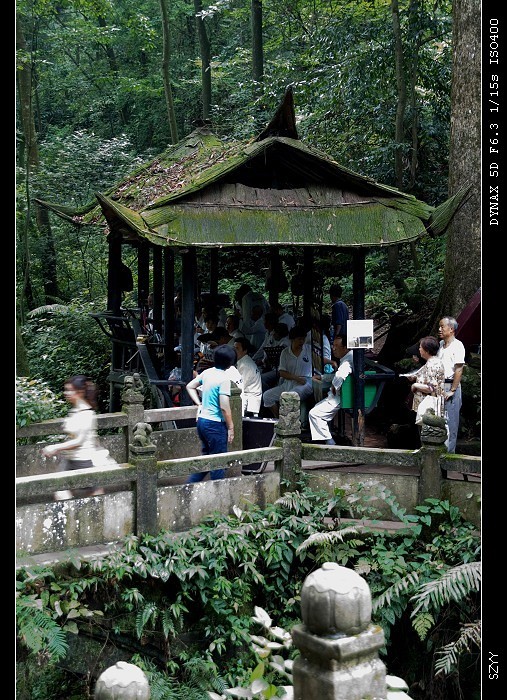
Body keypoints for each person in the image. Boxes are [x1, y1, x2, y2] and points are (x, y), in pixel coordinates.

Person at [41, 375, 105, 499]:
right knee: (61, 492)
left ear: (80, 392)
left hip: (84, 460)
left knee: (95, 496)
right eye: (66, 390)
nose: (66, 393)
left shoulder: (87, 413)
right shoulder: (75, 411)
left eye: (70, 390)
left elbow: (79, 441)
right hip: (70, 459)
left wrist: (56, 447)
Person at [185, 345, 236, 482]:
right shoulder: (224, 379)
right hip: (215, 424)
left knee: (207, 458)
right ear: (230, 363)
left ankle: (189, 486)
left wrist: (199, 404)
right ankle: (218, 491)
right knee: (218, 463)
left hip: (202, 421)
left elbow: (190, 386)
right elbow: (224, 407)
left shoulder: (207, 373)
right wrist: (231, 427)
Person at [308, 335, 353, 444]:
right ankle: (327, 439)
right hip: (341, 394)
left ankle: (330, 443)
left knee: (315, 414)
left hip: (341, 397)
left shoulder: (347, 361)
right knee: (317, 409)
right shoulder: (347, 357)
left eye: (336, 346)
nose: (333, 348)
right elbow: (338, 375)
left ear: (345, 347)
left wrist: (334, 386)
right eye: (333, 345)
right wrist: (323, 377)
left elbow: (340, 376)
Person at [262, 326, 313, 418]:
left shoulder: (309, 349)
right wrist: (296, 378)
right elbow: (282, 372)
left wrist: (331, 362)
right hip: (289, 383)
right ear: (292, 339)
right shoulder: (285, 352)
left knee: (289, 396)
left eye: (303, 339)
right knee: (267, 396)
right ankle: (278, 418)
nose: (302, 342)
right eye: (299, 339)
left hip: (305, 383)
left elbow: (320, 360)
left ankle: (289, 423)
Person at [401, 336, 445, 426]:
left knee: (426, 430)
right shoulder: (432, 361)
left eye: (421, 347)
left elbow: (431, 388)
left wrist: (415, 385)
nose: (419, 349)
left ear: (427, 351)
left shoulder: (432, 365)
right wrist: (414, 377)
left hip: (428, 408)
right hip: (426, 406)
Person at [437, 316, 466, 453]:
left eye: (442, 326)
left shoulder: (458, 345)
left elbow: (459, 369)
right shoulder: (441, 344)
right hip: (440, 386)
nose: (439, 329)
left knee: (451, 423)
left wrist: (453, 390)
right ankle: (437, 453)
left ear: (451, 329)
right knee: (439, 420)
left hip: (450, 387)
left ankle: (449, 454)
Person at [234, 337, 263, 416]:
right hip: (247, 393)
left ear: (245, 350)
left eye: (237, 348)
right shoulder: (243, 361)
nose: (234, 351)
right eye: (234, 348)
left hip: (250, 397)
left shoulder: (246, 364)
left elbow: (241, 386)